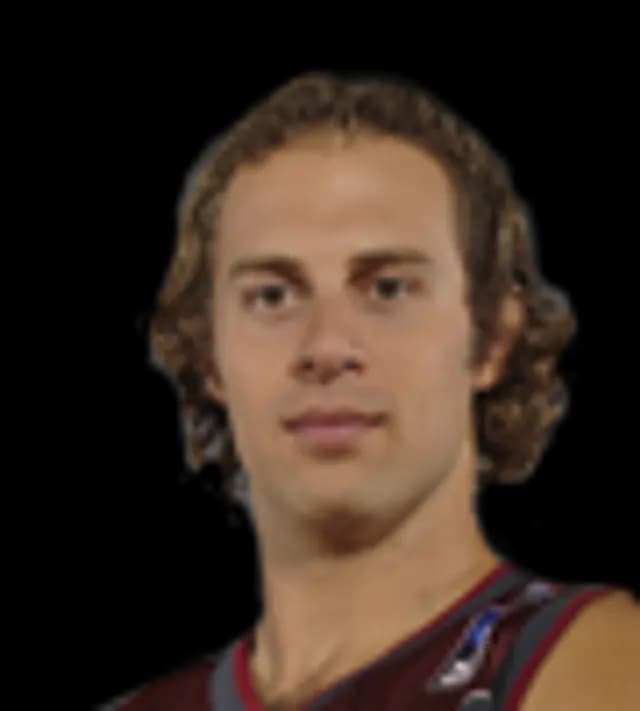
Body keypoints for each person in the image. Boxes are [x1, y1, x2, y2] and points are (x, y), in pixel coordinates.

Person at [99, 71, 639, 710]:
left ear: (492, 338)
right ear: (208, 352)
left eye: (388, 289)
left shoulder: (602, 658)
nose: (327, 347)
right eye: (272, 296)